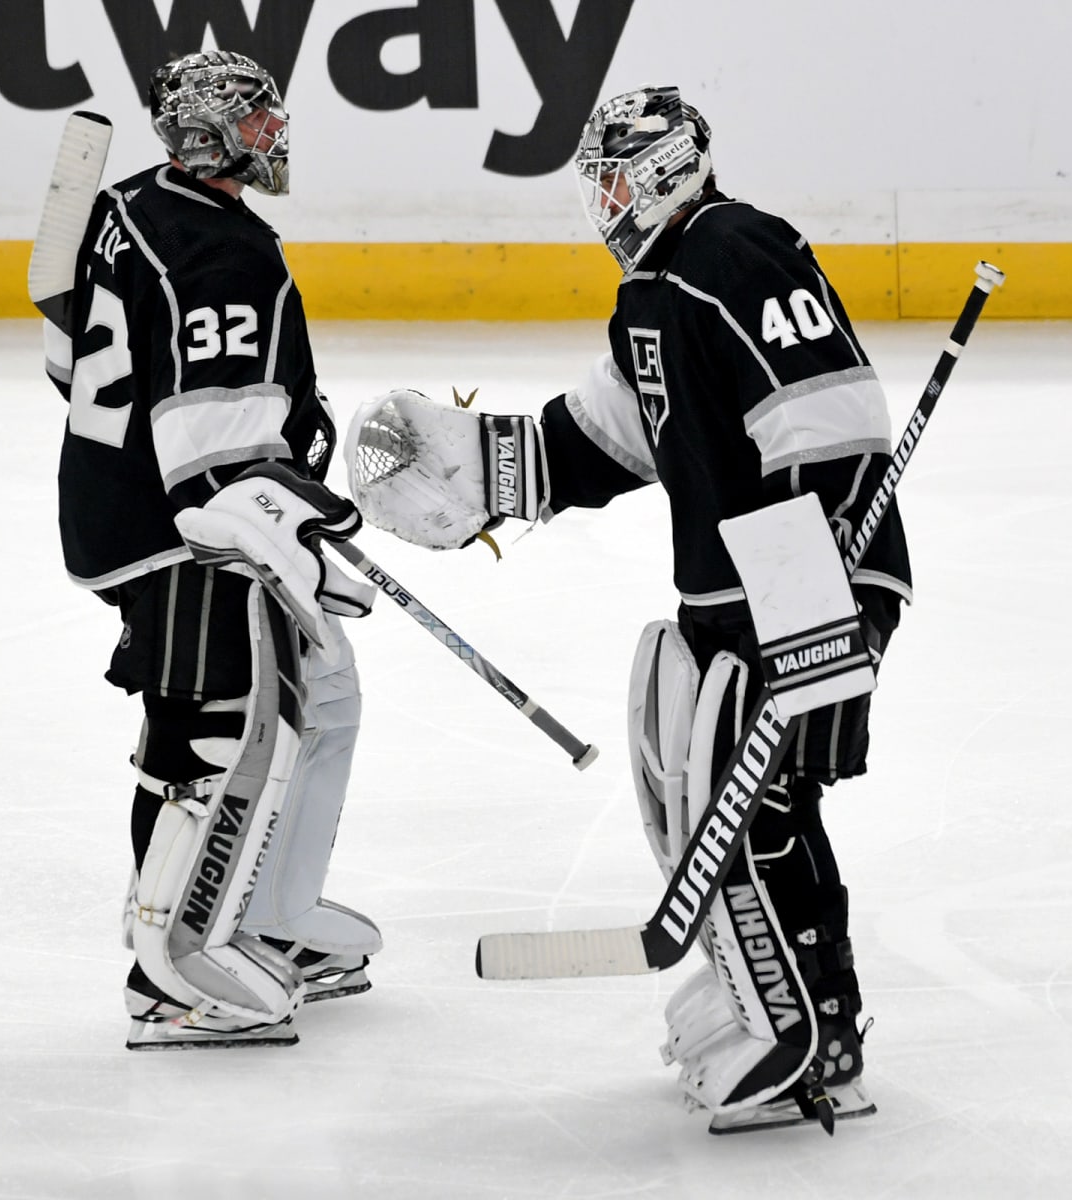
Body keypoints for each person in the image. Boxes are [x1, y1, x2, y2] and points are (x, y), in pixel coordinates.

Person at [349, 86, 910, 1131]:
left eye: (616, 172)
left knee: (758, 805)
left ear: (666, 167)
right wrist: (475, 465)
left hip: (812, 576)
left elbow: (829, 418)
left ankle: (807, 1034)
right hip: (735, 590)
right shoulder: (655, 292)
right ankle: (774, 987)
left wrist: (818, 612)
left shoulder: (738, 250)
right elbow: (603, 437)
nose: (601, 198)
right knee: (710, 799)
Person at [42, 49, 383, 1049]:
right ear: (222, 133)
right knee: (213, 732)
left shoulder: (128, 207)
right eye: (261, 122)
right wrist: (290, 535)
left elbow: (70, 363)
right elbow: (215, 455)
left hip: (120, 507)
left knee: (269, 711)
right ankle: (174, 968)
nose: (275, 139)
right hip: (185, 531)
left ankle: (245, 918)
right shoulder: (223, 251)